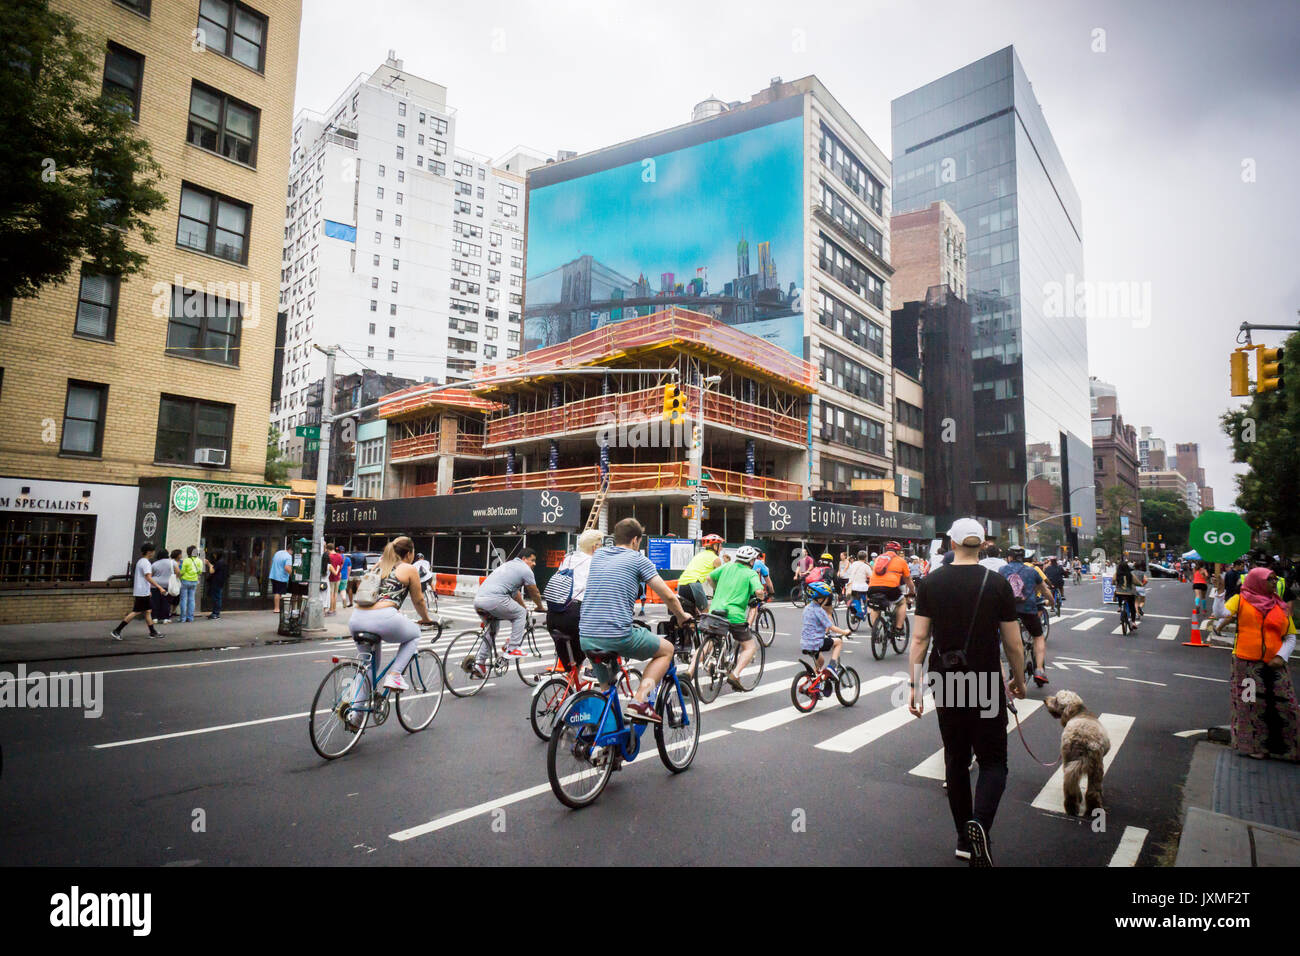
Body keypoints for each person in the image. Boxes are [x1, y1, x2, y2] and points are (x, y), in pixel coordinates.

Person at [909, 518, 1026, 865]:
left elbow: (919, 639)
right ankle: (981, 823)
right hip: (986, 680)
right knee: (993, 762)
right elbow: (1014, 643)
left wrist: (914, 686)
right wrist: (1018, 679)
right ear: (983, 543)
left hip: (946, 680)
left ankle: (964, 837)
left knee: (956, 760)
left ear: (951, 543)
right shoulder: (998, 584)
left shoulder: (929, 583)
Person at [579, 518, 693, 723]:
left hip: (586, 635)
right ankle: (639, 701)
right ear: (635, 540)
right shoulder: (638, 559)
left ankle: (606, 738)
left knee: (607, 692)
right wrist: (682, 616)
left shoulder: (599, 555)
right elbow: (668, 596)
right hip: (617, 635)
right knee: (666, 650)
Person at [1214, 567, 1298, 761]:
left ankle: (1288, 748)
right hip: (1246, 666)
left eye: (1275, 579)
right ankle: (1254, 746)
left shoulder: (1280, 606)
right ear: (1257, 581)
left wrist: (1281, 656)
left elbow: (1290, 636)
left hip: (1275, 666)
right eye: (1270, 579)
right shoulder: (1241, 599)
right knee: (1249, 705)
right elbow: (1220, 613)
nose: (1274, 583)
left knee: (1285, 705)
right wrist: (1219, 592)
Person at [348, 536, 436, 696]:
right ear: (409, 553)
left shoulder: (379, 565)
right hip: (382, 618)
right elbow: (419, 600)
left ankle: (356, 714)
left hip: (356, 618)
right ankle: (395, 675)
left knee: (368, 666)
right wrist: (426, 619)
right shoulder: (409, 569)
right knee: (415, 633)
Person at [472, 548, 545, 668]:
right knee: (520, 614)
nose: (534, 564)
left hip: (478, 601)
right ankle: (513, 648)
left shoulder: (507, 565)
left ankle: (480, 663)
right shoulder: (525, 570)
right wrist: (540, 607)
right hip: (494, 600)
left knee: (492, 630)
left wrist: (524, 607)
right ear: (524, 559)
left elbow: (516, 594)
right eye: (532, 560)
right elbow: (534, 591)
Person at [706, 544, 763, 692]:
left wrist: (717, 589)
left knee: (708, 643)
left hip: (715, 610)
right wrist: (761, 596)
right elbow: (758, 591)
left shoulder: (726, 566)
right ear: (751, 561)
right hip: (734, 616)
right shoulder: (750, 573)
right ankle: (735, 674)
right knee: (750, 646)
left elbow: (709, 577)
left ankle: (690, 673)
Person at [546, 530, 603, 671]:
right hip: (574, 615)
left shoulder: (568, 558)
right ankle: (593, 670)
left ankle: (570, 688)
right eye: (601, 545)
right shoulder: (594, 562)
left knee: (573, 667)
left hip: (553, 616)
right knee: (602, 642)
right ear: (595, 547)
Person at [999, 546, 1055, 686]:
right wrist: (1053, 603)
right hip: (1028, 610)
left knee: (1007, 641)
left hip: (1008, 612)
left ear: (1009, 557)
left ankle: (1013, 668)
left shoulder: (1002, 570)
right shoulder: (1032, 571)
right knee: (1038, 636)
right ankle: (1039, 669)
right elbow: (1045, 590)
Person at [801, 581, 850, 693]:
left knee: (821, 661)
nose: (827, 600)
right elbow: (831, 627)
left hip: (805, 643)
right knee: (838, 642)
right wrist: (844, 632)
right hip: (816, 642)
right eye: (826, 598)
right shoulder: (819, 610)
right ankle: (832, 666)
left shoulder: (807, 608)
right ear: (820, 599)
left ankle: (813, 682)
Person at [112, 543, 165, 640]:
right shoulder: (146, 563)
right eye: (153, 551)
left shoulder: (141, 561)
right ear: (149, 552)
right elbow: (148, 577)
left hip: (142, 590)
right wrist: (159, 587)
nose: (154, 553)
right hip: (142, 592)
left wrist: (149, 590)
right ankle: (117, 630)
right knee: (136, 612)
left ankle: (152, 632)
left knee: (148, 611)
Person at [867, 540, 915, 637]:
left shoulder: (878, 559)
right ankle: (898, 628)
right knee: (901, 602)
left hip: (872, 587)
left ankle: (875, 631)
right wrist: (912, 592)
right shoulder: (901, 561)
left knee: (875, 607)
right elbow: (908, 580)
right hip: (890, 588)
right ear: (897, 551)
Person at [677, 534, 723, 618]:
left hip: (681, 584)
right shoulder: (716, 559)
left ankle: (687, 630)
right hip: (694, 584)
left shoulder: (699, 555)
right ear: (715, 546)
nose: (721, 548)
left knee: (688, 615)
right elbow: (721, 579)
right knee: (705, 612)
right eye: (720, 545)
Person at [748, 548, 776, 629]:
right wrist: (771, 592)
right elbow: (768, 581)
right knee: (754, 606)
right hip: (753, 589)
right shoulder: (759, 563)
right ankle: (748, 628)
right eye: (759, 556)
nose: (760, 558)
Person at [150, 548, 177, 625]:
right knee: (166, 602)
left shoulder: (154, 564)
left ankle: (155, 618)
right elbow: (178, 572)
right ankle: (165, 618)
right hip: (167, 585)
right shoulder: (172, 562)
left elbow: (150, 575)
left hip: (155, 585)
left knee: (155, 602)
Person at [177, 546, 204, 624]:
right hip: (194, 581)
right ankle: (190, 618)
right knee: (191, 599)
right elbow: (200, 572)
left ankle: (183, 618)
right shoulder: (199, 561)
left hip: (185, 581)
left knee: (183, 600)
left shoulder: (186, 560)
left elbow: (182, 572)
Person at [1114, 557, 1138, 632]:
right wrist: (1140, 584)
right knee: (1132, 607)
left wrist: (1115, 583)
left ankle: (1120, 607)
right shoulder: (1130, 574)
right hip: (1129, 593)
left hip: (1119, 593)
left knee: (1119, 594)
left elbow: (1112, 581)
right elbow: (1137, 582)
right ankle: (1133, 622)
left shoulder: (1117, 574)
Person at [269, 544, 293, 613]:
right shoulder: (288, 556)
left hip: (273, 574)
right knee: (278, 592)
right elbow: (287, 568)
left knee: (277, 592)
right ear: (290, 550)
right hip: (281, 577)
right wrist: (292, 574)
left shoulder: (278, 552)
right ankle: (276, 608)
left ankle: (278, 606)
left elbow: (273, 560)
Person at [847, 549, 871, 616]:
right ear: (865, 557)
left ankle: (854, 613)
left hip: (853, 586)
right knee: (866, 599)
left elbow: (850, 572)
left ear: (857, 557)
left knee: (855, 598)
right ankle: (864, 612)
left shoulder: (853, 564)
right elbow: (871, 575)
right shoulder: (866, 566)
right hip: (863, 587)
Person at [207, 550, 228, 620]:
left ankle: (216, 613)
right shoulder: (223, 562)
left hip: (216, 582)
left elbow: (212, 571)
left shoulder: (219, 562)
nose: (214, 556)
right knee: (217, 598)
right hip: (220, 582)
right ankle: (215, 613)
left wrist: (209, 565)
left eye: (215, 554)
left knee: (216, 598)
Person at [327, 543, 343, 615]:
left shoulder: (329, 556)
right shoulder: (339, 556)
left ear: (328, 549)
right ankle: (334, 609)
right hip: (338, 577)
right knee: (336, 593)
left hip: (330, 577)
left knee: (331, 593)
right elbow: (341, 565)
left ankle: (331, 609)